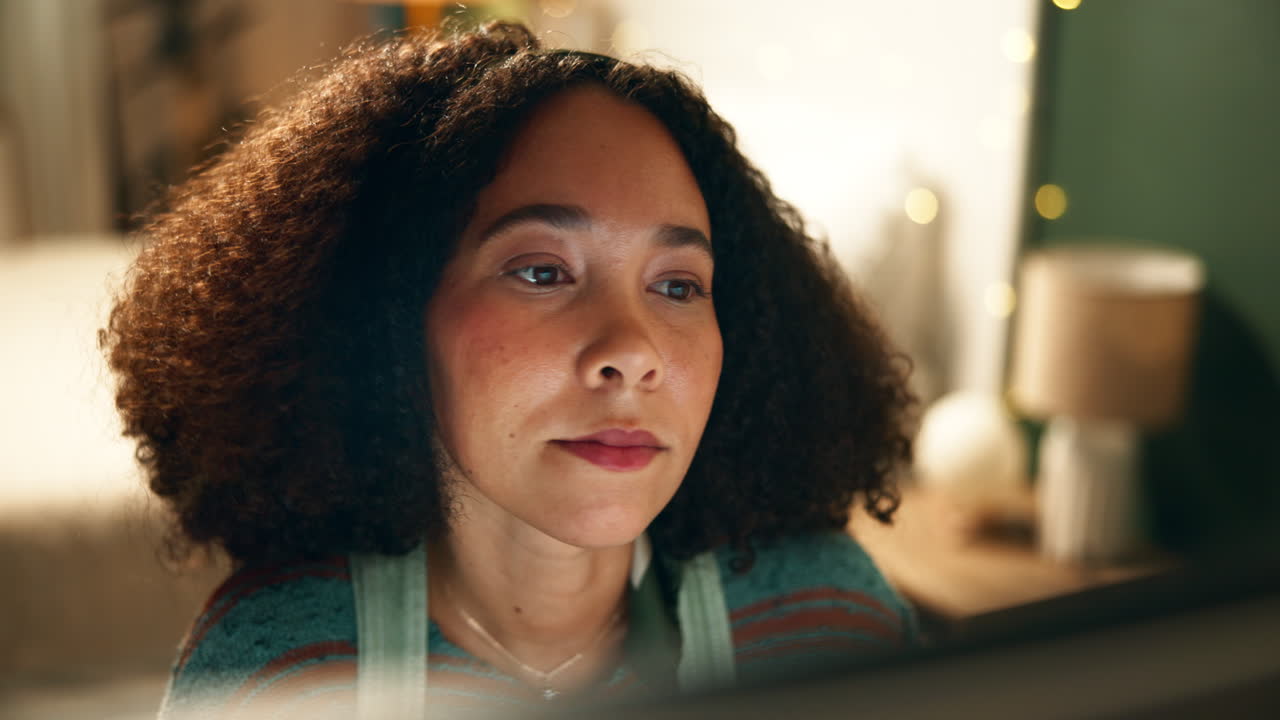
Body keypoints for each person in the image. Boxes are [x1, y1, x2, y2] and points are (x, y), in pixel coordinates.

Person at [102, 21, 917, 719]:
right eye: (541, 271)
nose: (632, 352)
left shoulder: (829, 617)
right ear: (395, 316)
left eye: (677, 285)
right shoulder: (286, 667)